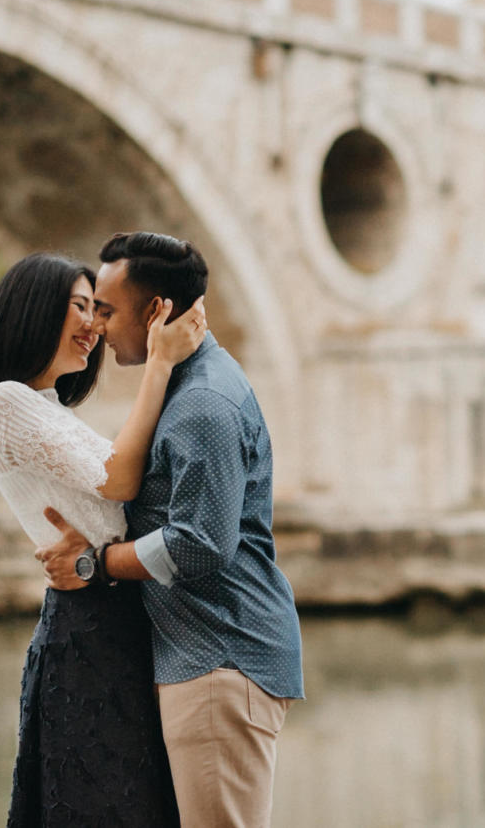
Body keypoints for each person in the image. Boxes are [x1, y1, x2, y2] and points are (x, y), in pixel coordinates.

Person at [36, 232, 305, 828]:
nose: (97, 326)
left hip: (220, 661)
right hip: (206, 659)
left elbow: (199, 545)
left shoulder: (203, 403)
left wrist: (95, 563)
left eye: (105, 310)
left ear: (156, 311)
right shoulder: (187, 386)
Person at [0, 252, 207, 827]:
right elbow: (122, 477)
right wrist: (158, 362)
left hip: (117, 618)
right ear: (33, 311)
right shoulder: (7, 402)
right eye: (79, 308)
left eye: (97, 310)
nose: (94, 326)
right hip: (89, 632)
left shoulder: (47, 408)